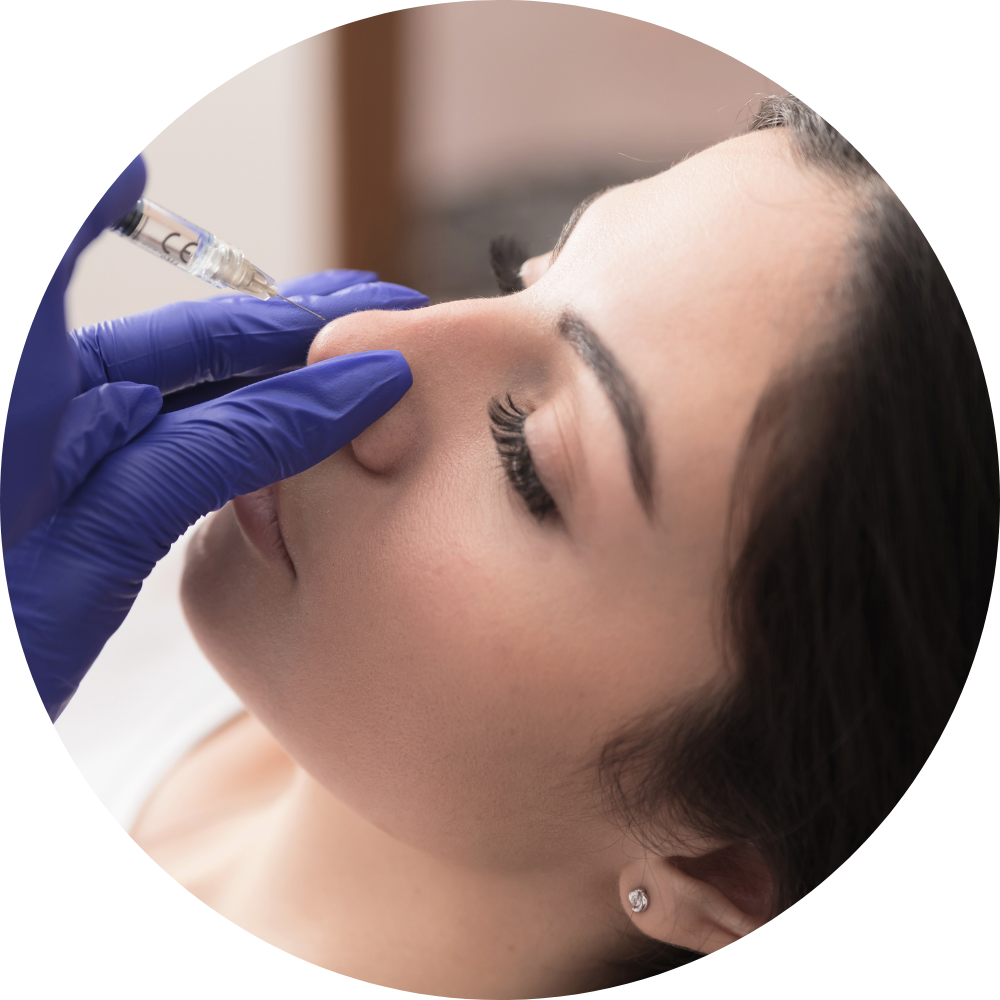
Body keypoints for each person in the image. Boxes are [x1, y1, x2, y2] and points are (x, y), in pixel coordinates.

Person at [31, 96, 1000, 994]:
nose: (349, 339)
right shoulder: (232, 641)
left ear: (717, 870)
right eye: (518, 280)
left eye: (526, 459)